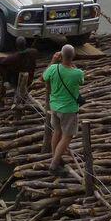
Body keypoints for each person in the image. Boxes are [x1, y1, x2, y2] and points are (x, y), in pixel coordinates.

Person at [43, 44, 84, 175]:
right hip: (68, 110)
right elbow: (81, 81)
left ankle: (56, 157)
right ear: (73, 56)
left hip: (54, 107)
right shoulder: (77, 73)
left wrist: (53, 61)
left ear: (60, 55)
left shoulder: (53, 68)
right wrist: (72, 64)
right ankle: (54, 165)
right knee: (67, 136)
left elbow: (44, 76)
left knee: (57, 132)